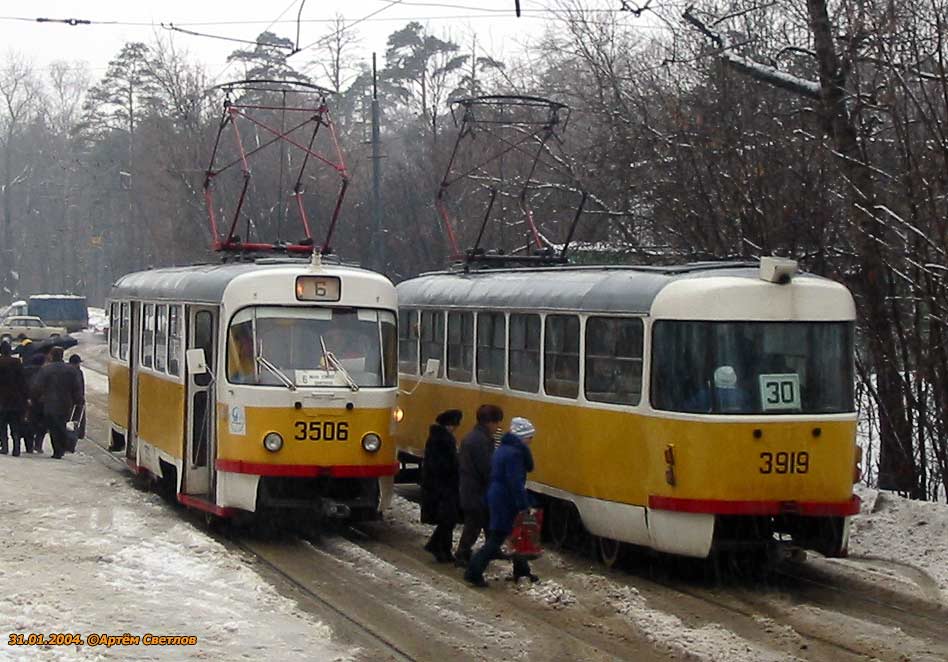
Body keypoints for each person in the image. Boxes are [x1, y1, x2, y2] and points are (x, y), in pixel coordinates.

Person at [464, 417, 539, 588]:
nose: (531, 441)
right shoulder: (515, 454)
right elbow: (515, 482)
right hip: (506, 499)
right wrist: (523, 504)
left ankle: (522, 570)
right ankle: (473, 571)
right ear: (521, 437)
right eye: (529, 437)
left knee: (516, 535)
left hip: (498, 496)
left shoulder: (504, 448)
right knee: (497, 538)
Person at [455, 404, 504, 567]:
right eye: (497, 423)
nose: (498, 427)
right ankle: (462, 554)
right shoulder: (480, 441)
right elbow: (486, 467)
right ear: (489, 422)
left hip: (472, 489)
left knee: (486, 522)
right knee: (474, 525)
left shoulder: (475, 437)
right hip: (476, 491)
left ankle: (492, 548)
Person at [420, 409, 463, 563]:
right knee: (448, 519)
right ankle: (439, 548)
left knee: (448, 519)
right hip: (444, 486)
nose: (455, 428)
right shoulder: (444, 440)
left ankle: (441, 548)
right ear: (449, 425)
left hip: (438, 485)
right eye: (454, 425)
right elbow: (446, 464)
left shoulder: (437, 437)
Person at [32, 347, 82, 459]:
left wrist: (34, 398)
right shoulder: (71, 370)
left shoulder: (46, 370)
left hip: (49, 403)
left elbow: (37, 386)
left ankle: (58, 449)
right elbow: (76, 387)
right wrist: (78, 400)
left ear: (51, 356)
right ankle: (61, 447)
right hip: (66, 403)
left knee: (53, 427)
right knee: (61, 424)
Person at [0, 341, 27, 455]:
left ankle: (4, 446)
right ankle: (16, 447)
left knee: (2, 424)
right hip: (16, 398)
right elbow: (22, 381)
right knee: (15, 424)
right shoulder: (17, 362)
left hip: (2, 399)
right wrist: (25, 397)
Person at [23, 353, 46, 453]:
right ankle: (38, 444)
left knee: (28, 422)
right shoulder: (45, 371)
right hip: (41, 400)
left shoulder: (25, 370)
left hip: (27, 400)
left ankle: (29, 446)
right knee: (42, 423)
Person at [68, 354, 86, 440]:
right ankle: (78, 433)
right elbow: (80, 386)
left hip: (69, 399)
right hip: (75, 398)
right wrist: (81, 397)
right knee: (77, 417)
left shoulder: (68, 370)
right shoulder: (78, 372)